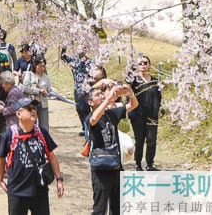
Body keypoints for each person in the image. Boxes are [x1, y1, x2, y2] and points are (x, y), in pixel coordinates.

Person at [0, 97, 65, 215]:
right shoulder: (9, 135)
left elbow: (51, 156)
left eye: (34, 108)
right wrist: (0, 179)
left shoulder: (42, 133)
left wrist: (59, 179)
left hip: (40, 190)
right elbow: (1, 158)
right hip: (17, 191)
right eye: (29, 109)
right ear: (18, 114)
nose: (33, 111)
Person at [87, 82, 138, 215]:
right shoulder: (90, 117)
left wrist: (130, 93)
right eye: (97, 95)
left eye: (101, 94)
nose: (101, 96)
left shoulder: (112, 114)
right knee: (100, 209)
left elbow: (133, 105)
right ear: (91, 103)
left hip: (116, 166)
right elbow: (94, 119)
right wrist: (109, 99)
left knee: (117, 208)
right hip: (100, 169)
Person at [128, 55, 162, 171]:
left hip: (152, 114)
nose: (143, 65)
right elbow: (128, 91)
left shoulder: (155, 81)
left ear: (149, 65)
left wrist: (158, 109)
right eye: (140, 63)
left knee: (152, 140)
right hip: (138, 115)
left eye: (145, 63)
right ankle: (138, 164)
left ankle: (150, 164)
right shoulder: (134, 81)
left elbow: (159, 97)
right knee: (139, 140)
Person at [60, 47, 95, 136]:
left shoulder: (91, 62)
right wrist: (64, 48)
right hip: (78, 88)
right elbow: (63, 57)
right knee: (79, 108)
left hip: (87, 89)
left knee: (86, 109)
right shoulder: (73, 60)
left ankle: (89, 128)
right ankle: (85, 126)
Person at [22, 58, 52, 131]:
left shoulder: (46, 77)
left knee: (44, 126)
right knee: (31, 125)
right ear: (35, 66)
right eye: (39, 66)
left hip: (43, 104)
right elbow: (26, 88)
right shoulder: (29, 75)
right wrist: (38, 91)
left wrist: (47, 93)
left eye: (43, 66)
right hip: (31, 104)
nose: (42, 68)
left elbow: (49, 91)